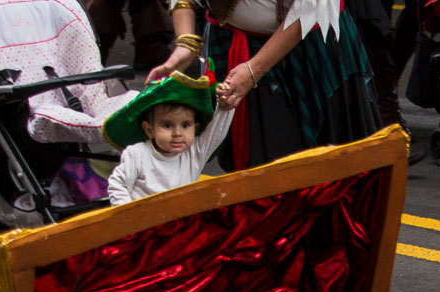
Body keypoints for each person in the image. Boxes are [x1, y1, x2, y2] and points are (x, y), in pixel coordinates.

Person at [147, 0, 382, 173]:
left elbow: (314, 7)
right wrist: (186, 42)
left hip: (310, 50)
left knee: (323, 174)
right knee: (260, 175)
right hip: (233, 44)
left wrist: (254, 69)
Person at [104, 67, 235, 205]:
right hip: (146, 222)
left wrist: (225, 107)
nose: (177, 133)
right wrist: (131, 216)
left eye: (185, 125)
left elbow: (216, 133)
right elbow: (118, 185)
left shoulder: (194, 153)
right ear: (149, 130)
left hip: (180, 223)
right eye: (167, 125)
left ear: (195, 128)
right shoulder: (137, 154)